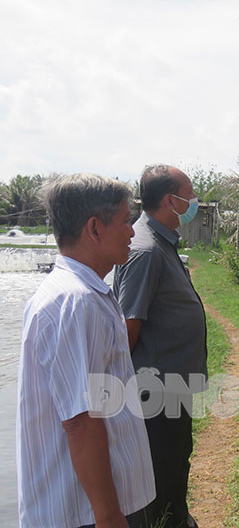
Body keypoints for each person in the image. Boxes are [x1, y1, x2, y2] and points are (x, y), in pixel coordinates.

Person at [16, 173, 155, 528]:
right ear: (95, 228)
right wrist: (108, 515)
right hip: (83, 512)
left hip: (90, 507)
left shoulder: (84, 294)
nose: (132, 232)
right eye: (126, 221)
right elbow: (81, 419)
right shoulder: (76, 303)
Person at [113, 165, 207, 528]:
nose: (195, 199)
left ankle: (177, 518)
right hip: (156, 392)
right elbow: (128, 328)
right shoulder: (147, 250)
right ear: (172, 200)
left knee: (173, 463)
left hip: (171, 388)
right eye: (190, 192)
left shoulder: (160, 243)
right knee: (162, 472)